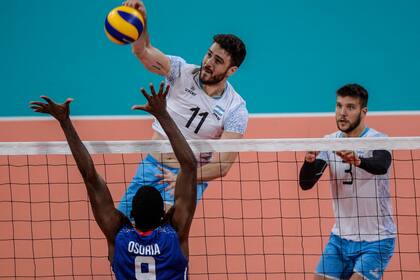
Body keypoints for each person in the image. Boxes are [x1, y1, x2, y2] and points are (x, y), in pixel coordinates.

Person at [29, 82, 198, 279]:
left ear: (131, 214)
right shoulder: (175, 235)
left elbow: (90, 177)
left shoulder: (119, 236)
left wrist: (64, 122)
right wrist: (163, 115)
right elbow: (190, 166)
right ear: (164, 214)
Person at [118, 0, 249, 215]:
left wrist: (183, 177)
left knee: (168, 238)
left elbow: (223, 166)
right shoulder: (180, 72)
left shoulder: (235, 110)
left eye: (218, 61)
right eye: (209, 54)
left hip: (188, 179)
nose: (208, 62)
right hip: (152, 168)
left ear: (231, 70)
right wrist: (141, 21)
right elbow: (143, 51)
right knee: (122, 230)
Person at [299, 84, 396, 280]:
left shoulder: (377, 140)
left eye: (350, 107)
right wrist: (309, 162)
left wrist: (358, 160)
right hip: (340, 239)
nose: (342, 113)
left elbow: (381, 164)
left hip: (376, 239)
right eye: (338, 106)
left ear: (363, 111)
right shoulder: (329, 142)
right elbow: (306, 183)